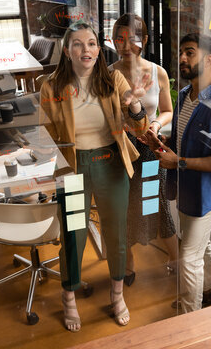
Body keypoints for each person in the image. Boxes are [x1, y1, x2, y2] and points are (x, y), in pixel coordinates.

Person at [39, 21, 150, 331]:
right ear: (66, 50)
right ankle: (69, 298)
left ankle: (116, 296)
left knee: (116, 233)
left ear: (98, 49)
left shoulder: (114, 79)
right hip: (72, 167)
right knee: (74, 236)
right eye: (77, 44)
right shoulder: (51, 86)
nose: (85, 49)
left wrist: (136, 106)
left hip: (110, 163)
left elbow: (140, 128)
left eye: (91, 43)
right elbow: (44, 135)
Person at [143, 33, 211, 312]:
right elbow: (185, 142)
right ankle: (207, 292)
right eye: (181, 53)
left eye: (190, 53)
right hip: (186, 189)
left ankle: (191, 317)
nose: (182, 59)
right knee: (198, 246)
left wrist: (180, 162)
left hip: (207, 195)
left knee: (188, 258)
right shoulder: (186, 95)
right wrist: (161, 144)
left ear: (209, 59)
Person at [110, 13, 178, 285]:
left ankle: (176, 260)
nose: (125, 46)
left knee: (157, 205)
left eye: (133, 39)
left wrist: (156, 125)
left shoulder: (157, 71)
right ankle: (128, 266)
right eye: (120, 39)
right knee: (122, 208)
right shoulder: (108, 74)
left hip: (150, 152)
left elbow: (168, 111)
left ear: (145, 40)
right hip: (120, 153)